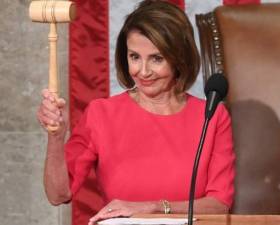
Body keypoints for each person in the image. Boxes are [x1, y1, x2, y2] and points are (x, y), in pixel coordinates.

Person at [36, 0, 235, 224]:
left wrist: (153, 207)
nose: (143, 71)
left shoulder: (212, 116)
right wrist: (55, 137)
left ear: (180, 58)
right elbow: (58, 194)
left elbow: (219, 205)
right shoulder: (102, 114)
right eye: (134, 57)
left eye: (157, 59)